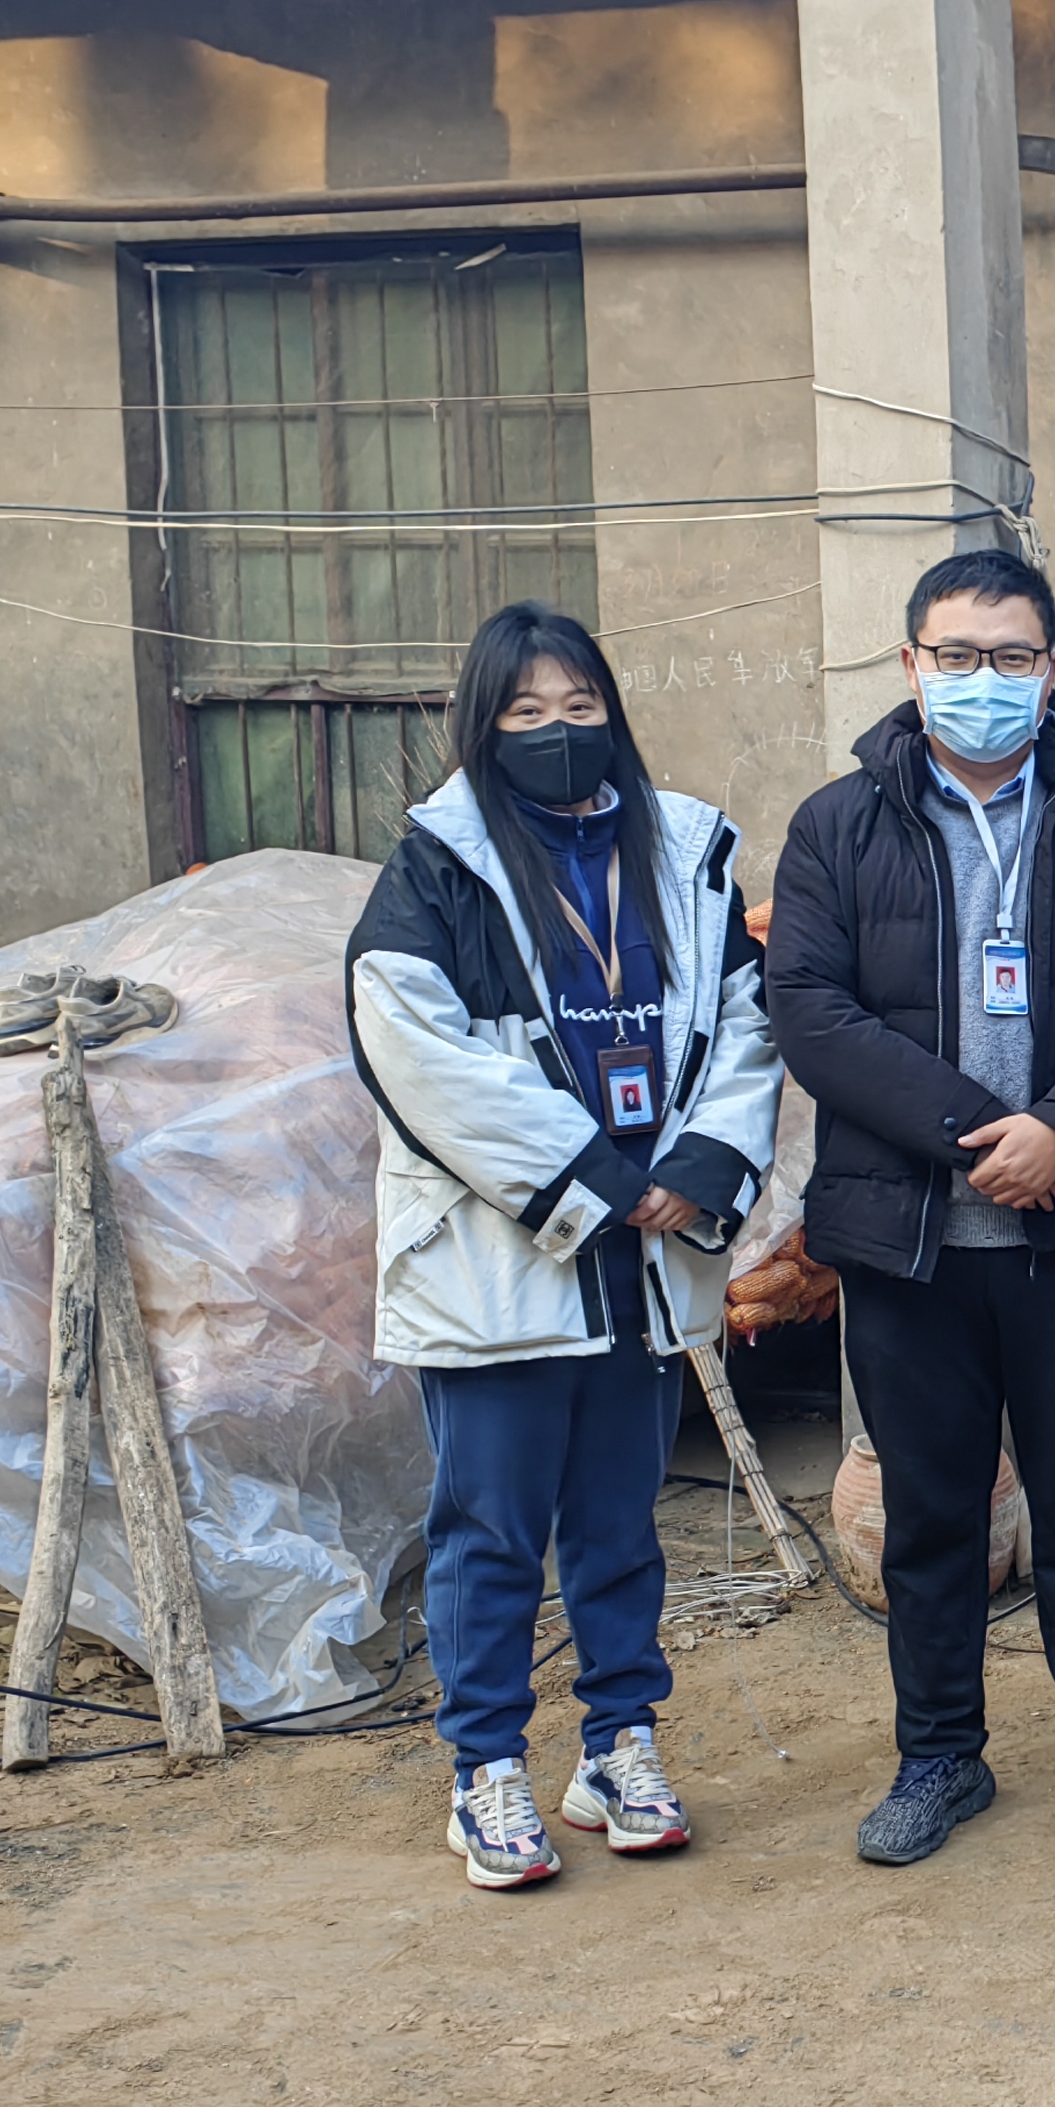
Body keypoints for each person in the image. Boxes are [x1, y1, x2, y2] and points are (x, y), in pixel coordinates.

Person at [765, 548, 1055, 1869]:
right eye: (956, 656)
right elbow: (811, 1010)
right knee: (931, 1510)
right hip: (909, 1240)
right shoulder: (839, 825)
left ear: (1052, 668)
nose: (984, 680)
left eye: (1011, 657)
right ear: (911, 666)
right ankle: (938, 1755)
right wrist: (979, 1138)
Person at [346, 604, 782, 1891]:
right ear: (482, 726)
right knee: (489, 1531)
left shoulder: (687, 849)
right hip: (506, 1258)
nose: (558, 730)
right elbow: (415, 1049)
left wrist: (700, 1166)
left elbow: (745, 1019)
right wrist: (593, 1175)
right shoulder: (438, 867)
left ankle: (618, 1746)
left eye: (581, 706)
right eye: (527, 711)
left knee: (619, 1522)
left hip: (646, 1259)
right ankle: (484, 1768)